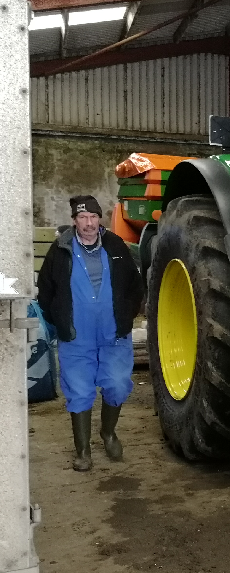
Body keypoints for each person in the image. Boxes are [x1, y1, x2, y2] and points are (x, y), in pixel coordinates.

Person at [37, 195, 144, 471]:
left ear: (100, 219)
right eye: (82, 218)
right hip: (76, 334)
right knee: (80, 389)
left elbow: (134, 285)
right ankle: (83, 451)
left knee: (118, 384)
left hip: (113, 332)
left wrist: (127, 313)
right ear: (74, 221)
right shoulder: (60, 249)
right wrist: (59, 321)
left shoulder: (116, 246)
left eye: (93, 217)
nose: (88, 223)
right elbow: (46, 290)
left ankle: (108, 433)